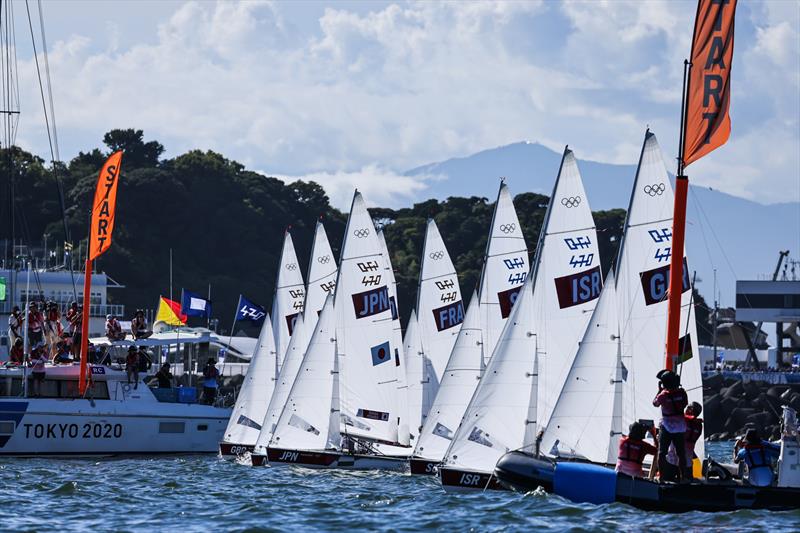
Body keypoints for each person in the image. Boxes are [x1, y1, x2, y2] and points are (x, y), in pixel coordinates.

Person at [653, 369, 689, 482]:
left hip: (667, 426)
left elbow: (655, 403)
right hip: (680, 427)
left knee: (662, 452)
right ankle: (683, 477)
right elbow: (685, 404)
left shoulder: (663, 395)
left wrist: (659, 390)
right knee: (681, 453)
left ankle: (662, 478)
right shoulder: (682, 393)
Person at [666, 402, 704, 481]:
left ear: (691, 409)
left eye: (687, 407)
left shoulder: (681, 420)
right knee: (687, 483)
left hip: (673, 461)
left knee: (668, 481)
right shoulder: (699, 426)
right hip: (688, 464)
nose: (685, 409)